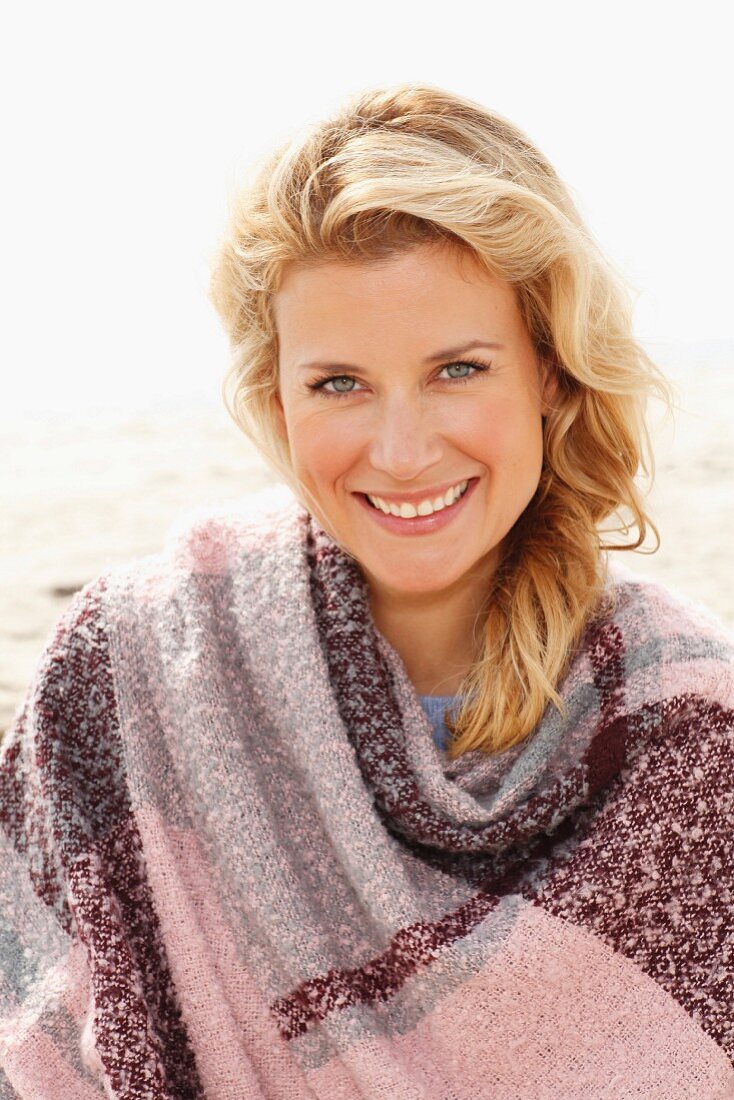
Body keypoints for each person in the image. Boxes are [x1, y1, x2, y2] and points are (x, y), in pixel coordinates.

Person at [1, 82, 733, 1098]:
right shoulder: (123, 678)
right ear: (277, 400)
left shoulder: (690, 728)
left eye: (458, 369)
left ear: (550, 375)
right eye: (337, 382)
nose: (399, 450)